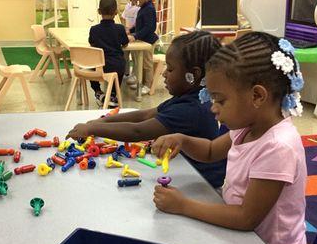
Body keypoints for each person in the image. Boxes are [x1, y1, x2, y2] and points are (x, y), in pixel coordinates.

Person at [151, 32, 308, 244]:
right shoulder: (247, 127)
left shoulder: (278, 147)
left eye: (220, 100)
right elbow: (212, 151)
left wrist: (183, 205)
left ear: (257, 96)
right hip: (247, 242)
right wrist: (181, 139)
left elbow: (246, 218)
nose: (213, 107)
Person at [67, 31, 226, 188]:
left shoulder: (191, 109)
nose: (164, 73)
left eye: (170, 69)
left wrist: (91, 128)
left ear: (193, 75)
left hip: (201, 183)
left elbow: (137, 131)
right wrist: (104, 121)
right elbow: (147, 114)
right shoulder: (190, 96)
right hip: (185, 169)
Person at [89, 0, 129, 108]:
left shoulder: (94, 29)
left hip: (99, 67)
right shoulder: (120, 28)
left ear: (99, 11)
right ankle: (113, 95)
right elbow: (125, 43)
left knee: (90, 66)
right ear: (116, 12)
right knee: (120, 65)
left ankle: (98, 92)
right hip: (116, 66)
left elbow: (92, 44)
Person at [128, 0, 159, 98]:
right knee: (139, 63)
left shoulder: (149, 9)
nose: (137, 2)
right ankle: (140, 82)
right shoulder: (143, 8)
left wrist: (135, 36)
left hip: (148, 41)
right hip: (143, 40)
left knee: (147, 64)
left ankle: (147, 84)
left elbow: (150, 28)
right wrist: (131, 30)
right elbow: (140, 25)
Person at [121, 0, 140, 84]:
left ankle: (135, 74)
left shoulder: (139, 8)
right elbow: (123, 17)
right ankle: (126, 72)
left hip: (135, 34)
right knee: (125, 53)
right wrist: (124, 28)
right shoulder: (127, 6)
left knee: (135, 55)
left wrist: (130, 30)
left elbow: (138, 23)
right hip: (127, 34)